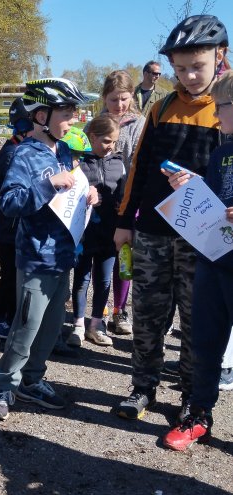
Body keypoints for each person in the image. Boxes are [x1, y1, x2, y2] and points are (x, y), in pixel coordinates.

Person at [113, 14, 228, 421]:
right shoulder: (161, 108)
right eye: (180, 69)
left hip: (205, 236)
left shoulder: (226, 111)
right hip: (152, 231)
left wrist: (203, 185)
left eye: (197, 66)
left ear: (221, 56)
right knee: (147, 315)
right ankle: (142, 387)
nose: (189, 76)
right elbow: (139, 168)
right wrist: (124, 221)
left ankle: (192, 396)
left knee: (197, 320)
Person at [0, 78, 98, 421]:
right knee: (26, 327)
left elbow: (71, 192)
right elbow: (10, 203)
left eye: (74, 112)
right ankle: (4, 385)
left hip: (62, 256)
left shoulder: (63, 150)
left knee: (50, 327)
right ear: (41, 116)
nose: (74, 120)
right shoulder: (24, 154)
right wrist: (48, 183)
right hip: (36, 257)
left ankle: (32, 379)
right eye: (67, 113)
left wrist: (88, 194)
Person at [160, 69, 233, 450]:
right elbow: (216, 203)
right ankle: (198, 414)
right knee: (204, 344)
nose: (216, 115)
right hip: (213, 262)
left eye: (221, 107)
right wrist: (192, 187)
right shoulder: (221, 153)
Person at [67, 114, 125, 348]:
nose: (111, 146)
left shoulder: (119, 163)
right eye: (106, 141)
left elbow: (124, 192)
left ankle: (96, 324)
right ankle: (78, 325)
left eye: (114, 142)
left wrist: (122, 204)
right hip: (85, 232)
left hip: (109, 232)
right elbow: (70, 193)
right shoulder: (80, 162)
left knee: (103, 280)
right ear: (92, 137)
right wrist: (87, 195)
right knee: (81, 277)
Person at [98, 70, 146, 336]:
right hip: (101, 199)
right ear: (105, 98)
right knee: (101, 255)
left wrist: (131, 199)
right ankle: (99, 309)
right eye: (113, 99)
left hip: (127, 200)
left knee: (123, 258)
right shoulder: (97, 123)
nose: (119, 105)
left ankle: (120, 309)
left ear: (132, 97)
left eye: (124, 99)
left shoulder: (139, 124)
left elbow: (140, 160)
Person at [0, 97, 35, 340]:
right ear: (25, 126)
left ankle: (9, 316)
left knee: (14, 273)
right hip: (8, 227)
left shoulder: (17, 149)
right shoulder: (12, 153)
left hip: (12, 226)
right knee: (10, 275)